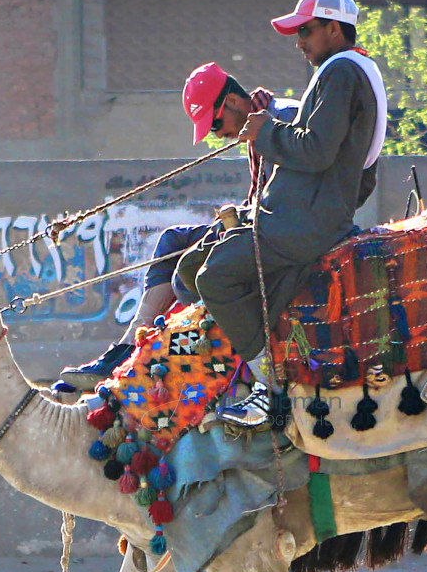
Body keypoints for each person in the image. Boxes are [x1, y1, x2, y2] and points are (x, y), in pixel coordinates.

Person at [185, 0, 388, 427]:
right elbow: (352, 168)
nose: (300, 42)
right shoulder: (350, 71)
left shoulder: (341, 72)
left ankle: (267, 381)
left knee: (213, 276)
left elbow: (315, 151)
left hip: (301, 223)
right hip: (306, 219)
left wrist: (266, 132)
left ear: (334, 28)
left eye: (307, 31)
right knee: (193, 264)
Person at [54, 63, 299, 392]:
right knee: (174, 240)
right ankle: (126, 350)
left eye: (214, 123)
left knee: (189, 274)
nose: (216, 134)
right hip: (256, 222)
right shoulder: (257, 122)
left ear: (234, 102)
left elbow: (292, 196)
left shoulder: (281, 118)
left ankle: (259, 377)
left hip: (280, 233)